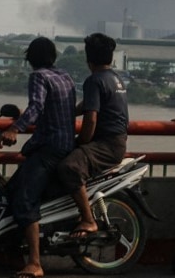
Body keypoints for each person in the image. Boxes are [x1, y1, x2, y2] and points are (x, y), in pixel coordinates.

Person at [1, 36, 76, 278]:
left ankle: (35, 262)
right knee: (12, 189)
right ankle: (14, 252)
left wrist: (14, 129)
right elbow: (57, 109)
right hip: (66, 145)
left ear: (31, 59)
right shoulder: (65, 77)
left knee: (23, 199)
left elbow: (36, 107)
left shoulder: (38, 77)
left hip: (48, 148)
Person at [57, 32, 128, 239]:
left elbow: (91, 120)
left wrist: (81, 143)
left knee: (68, 167)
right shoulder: (115, 79)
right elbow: (90, 105)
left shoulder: (94, 80)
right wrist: (67, 111)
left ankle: (88, 218)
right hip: (116, 142)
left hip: (106, 144)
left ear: (89, 60)